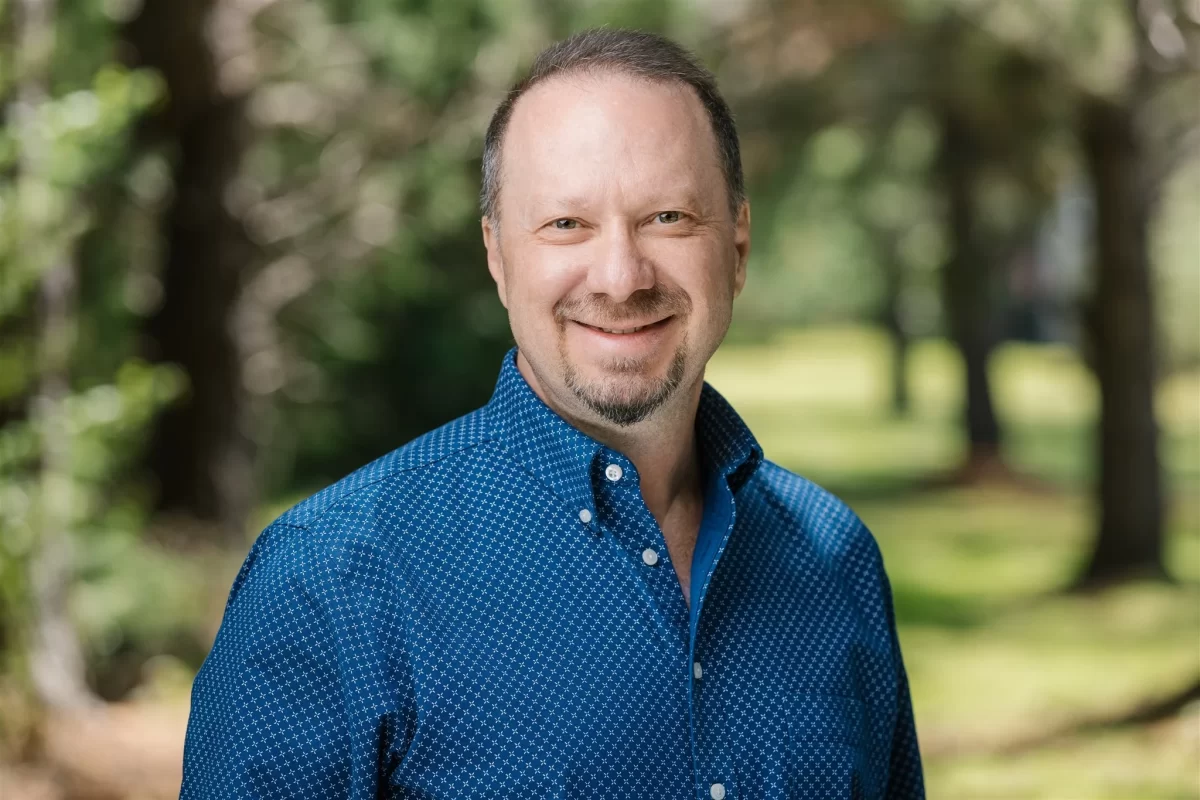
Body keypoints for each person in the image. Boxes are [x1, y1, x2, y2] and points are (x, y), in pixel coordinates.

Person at [180, 27, 924, 799]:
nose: (620, 275)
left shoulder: (835, 562)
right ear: (498, 256)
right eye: (567, 223)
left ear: (736, 244)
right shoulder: (331, 578)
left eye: (667, 217)